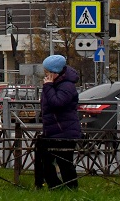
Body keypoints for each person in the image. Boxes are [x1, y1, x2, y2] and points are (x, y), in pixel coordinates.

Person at [35, 55, 81, 190]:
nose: (46, 76)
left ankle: (71, 187)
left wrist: (48, 87)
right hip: (53, 130)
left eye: (47, 73)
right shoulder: (56, 84)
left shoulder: (67, 86)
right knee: (46, 159)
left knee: (65, 162)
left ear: (55, 72)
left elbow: (57, 103)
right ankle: (54, 185)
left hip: (64, 131)